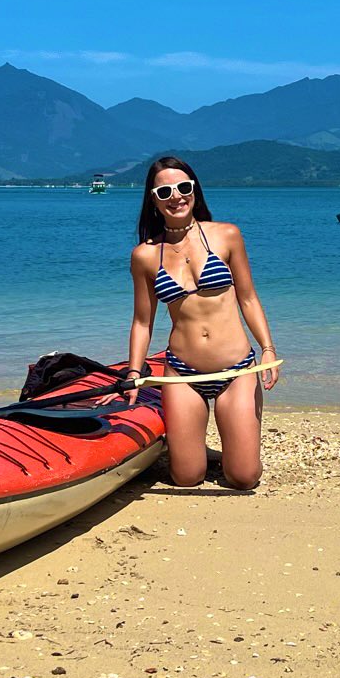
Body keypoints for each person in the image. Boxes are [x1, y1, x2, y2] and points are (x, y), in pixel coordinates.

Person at [125, 156, 278, 488]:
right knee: (186, 477)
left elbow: (248, 299)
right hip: (183, 373)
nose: (176, 197)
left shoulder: (226, 235)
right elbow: (142, 322)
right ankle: (186, 446)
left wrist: (267, 348)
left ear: (194, 190)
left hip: (236, 370)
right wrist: (134, 373)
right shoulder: (145, 256)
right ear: (154, 200)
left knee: (243, 477)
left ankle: (227, 448)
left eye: (183, 187)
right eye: (165, 192)